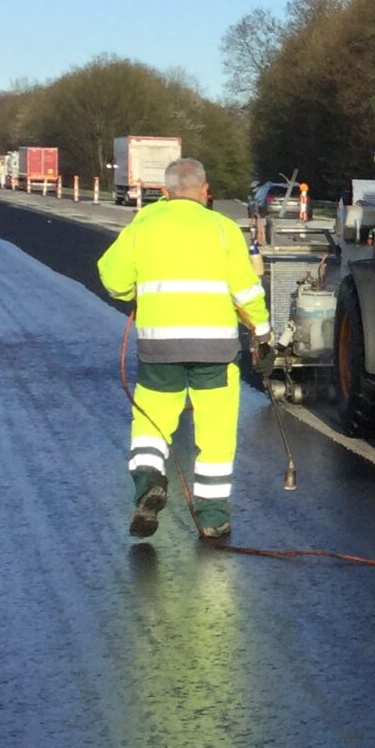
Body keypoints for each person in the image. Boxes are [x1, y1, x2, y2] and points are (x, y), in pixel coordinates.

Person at [98, 157, 269, 542]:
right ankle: (212, 518)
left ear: (165, 192)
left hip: (160, 349)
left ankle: (148, 486)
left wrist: (133, 292)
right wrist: (263, 333)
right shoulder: (224, 230)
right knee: (216, 434)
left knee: (151, 424)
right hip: (216, 352)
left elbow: (112, 277)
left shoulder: (144, 225)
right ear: (206, 191)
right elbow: (245, 293)